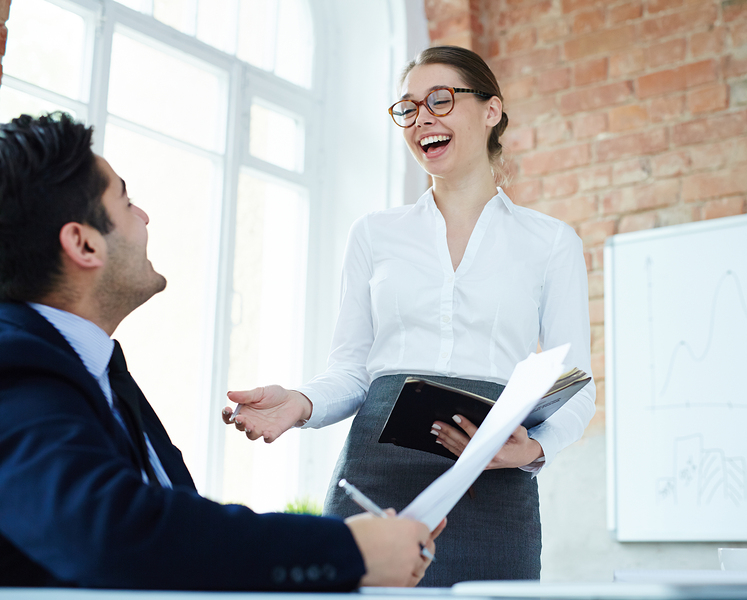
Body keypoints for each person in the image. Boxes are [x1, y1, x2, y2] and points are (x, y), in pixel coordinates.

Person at [0, 112, 442, 591]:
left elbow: (171, 524)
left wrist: (364, 548)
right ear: (83, 244)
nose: (145, 217)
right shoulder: (16, 368)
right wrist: (349, 552)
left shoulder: (93, 367)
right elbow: (111, 531)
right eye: (126, 203)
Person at [221, 46, 596, 587]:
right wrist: (300, 404)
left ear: (491, 111)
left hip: (492, 479)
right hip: (377, 477)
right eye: (408, 107)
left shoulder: (551, 242)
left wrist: (535, 449)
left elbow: (578, 385)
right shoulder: (375, 234)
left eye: (440, 100)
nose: (422, 117)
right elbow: (352, 370)